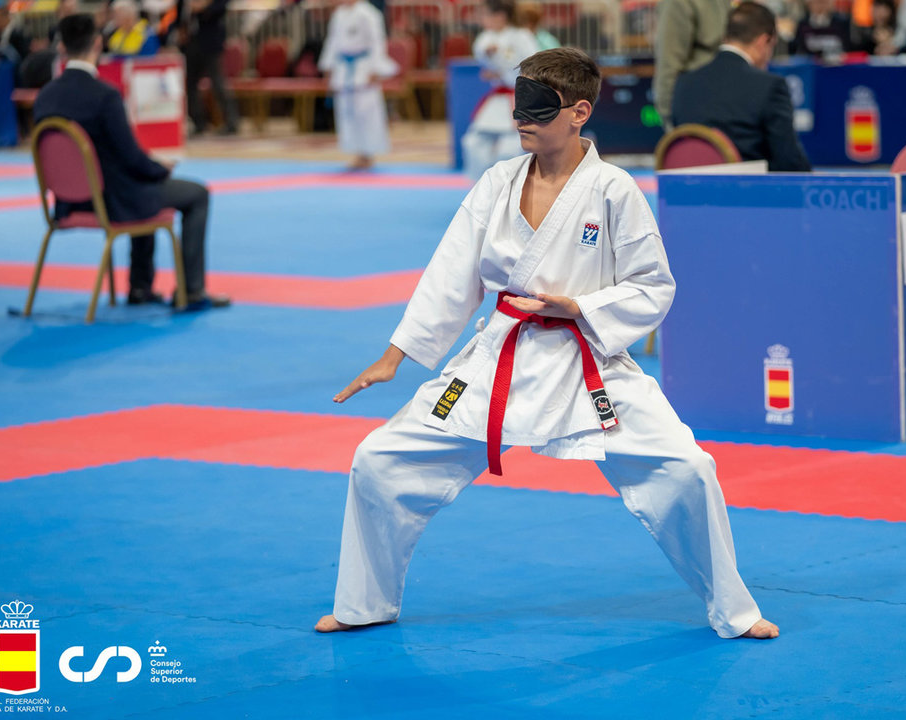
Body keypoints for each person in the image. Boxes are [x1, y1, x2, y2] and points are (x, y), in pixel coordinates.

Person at [314, 47, 780, 642]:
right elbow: (451, 273)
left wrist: (579, 306)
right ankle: (364, 604)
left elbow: (653, 285)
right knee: (377, 461)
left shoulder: (614, 190)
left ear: (579, 112)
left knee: (688, 468)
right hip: (499, 356)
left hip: (588, 361)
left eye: (538, 108)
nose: (521, 119)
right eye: (518, 104)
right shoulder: (497, 182)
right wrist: (395, 355)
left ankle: (735, 613)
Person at [34, 14, 230, 310]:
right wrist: (159, 167)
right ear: (98, 44)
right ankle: (191, 291)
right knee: (194, 193)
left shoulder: (45, 97)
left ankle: (141, 287)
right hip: (112, 200)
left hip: (68, 201)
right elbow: (131, 158)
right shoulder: (105, 96)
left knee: (142, 180)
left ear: (61, 47)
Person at [671, 1, 811, 171]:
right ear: (764, 41)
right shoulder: (770, 86)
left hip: (688, 192)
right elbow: (790, 162)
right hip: (748, 194)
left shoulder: (684, 84)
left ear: (726, 36)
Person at [460, 0, 539, 179]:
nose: (482, 20)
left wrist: (503, 71)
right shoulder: (486, 37)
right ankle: (480, 188)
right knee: (473, 142)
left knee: (510, 148)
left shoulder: (522, 36)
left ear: (500, 16)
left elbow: (532, 65)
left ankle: (510, 189)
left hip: (517, 96)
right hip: (497, 98)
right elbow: (480, 53)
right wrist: (490, 58)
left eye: (485, 15)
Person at [318, 0, 397, 171]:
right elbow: (332, 42)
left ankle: (368, 153)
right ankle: (356, 151)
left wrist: (375, 68)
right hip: (344, 67)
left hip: (364, 66)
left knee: (367, 111)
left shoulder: (369, 14)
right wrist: (327, 66)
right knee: (346, 111)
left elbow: (378, 42)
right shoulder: (339, 14)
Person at [653, 0, 728, 127]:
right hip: (695, 108)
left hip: (724, 105)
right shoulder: (678, 3)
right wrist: (670, 121)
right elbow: (669, 66)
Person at [176, 0, 240, 136]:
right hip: (191, 44)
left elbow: (221, 8)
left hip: (211, 44)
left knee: (218, 83)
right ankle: (199, 123)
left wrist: (203, 7)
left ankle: (231, 122)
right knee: (190, 85)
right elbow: (179, 14)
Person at [789, 0, 853, 56]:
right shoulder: (803, 24)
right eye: (816, 2)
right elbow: (799, 48)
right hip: (811, 66)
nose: (820, 6)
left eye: (823, 2)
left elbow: (847, 48)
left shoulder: (842, 23)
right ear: (809, 4)